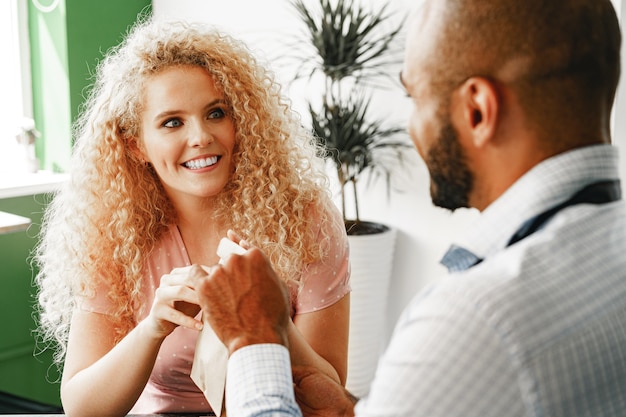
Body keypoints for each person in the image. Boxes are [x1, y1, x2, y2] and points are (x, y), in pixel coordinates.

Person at [192, 0, 626, 415]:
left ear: (477, 110)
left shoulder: (473, 320)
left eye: (416, 98)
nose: (411, 124)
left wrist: (254, 336)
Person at [34, 18, 350, 417]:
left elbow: (330, 397)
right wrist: (153, 328)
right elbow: (82, 407)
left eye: (216, 113)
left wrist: (267, 318)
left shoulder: (305, 218)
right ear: (137, 146)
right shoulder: (112, 232)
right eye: (172, 122)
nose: (200, 136)